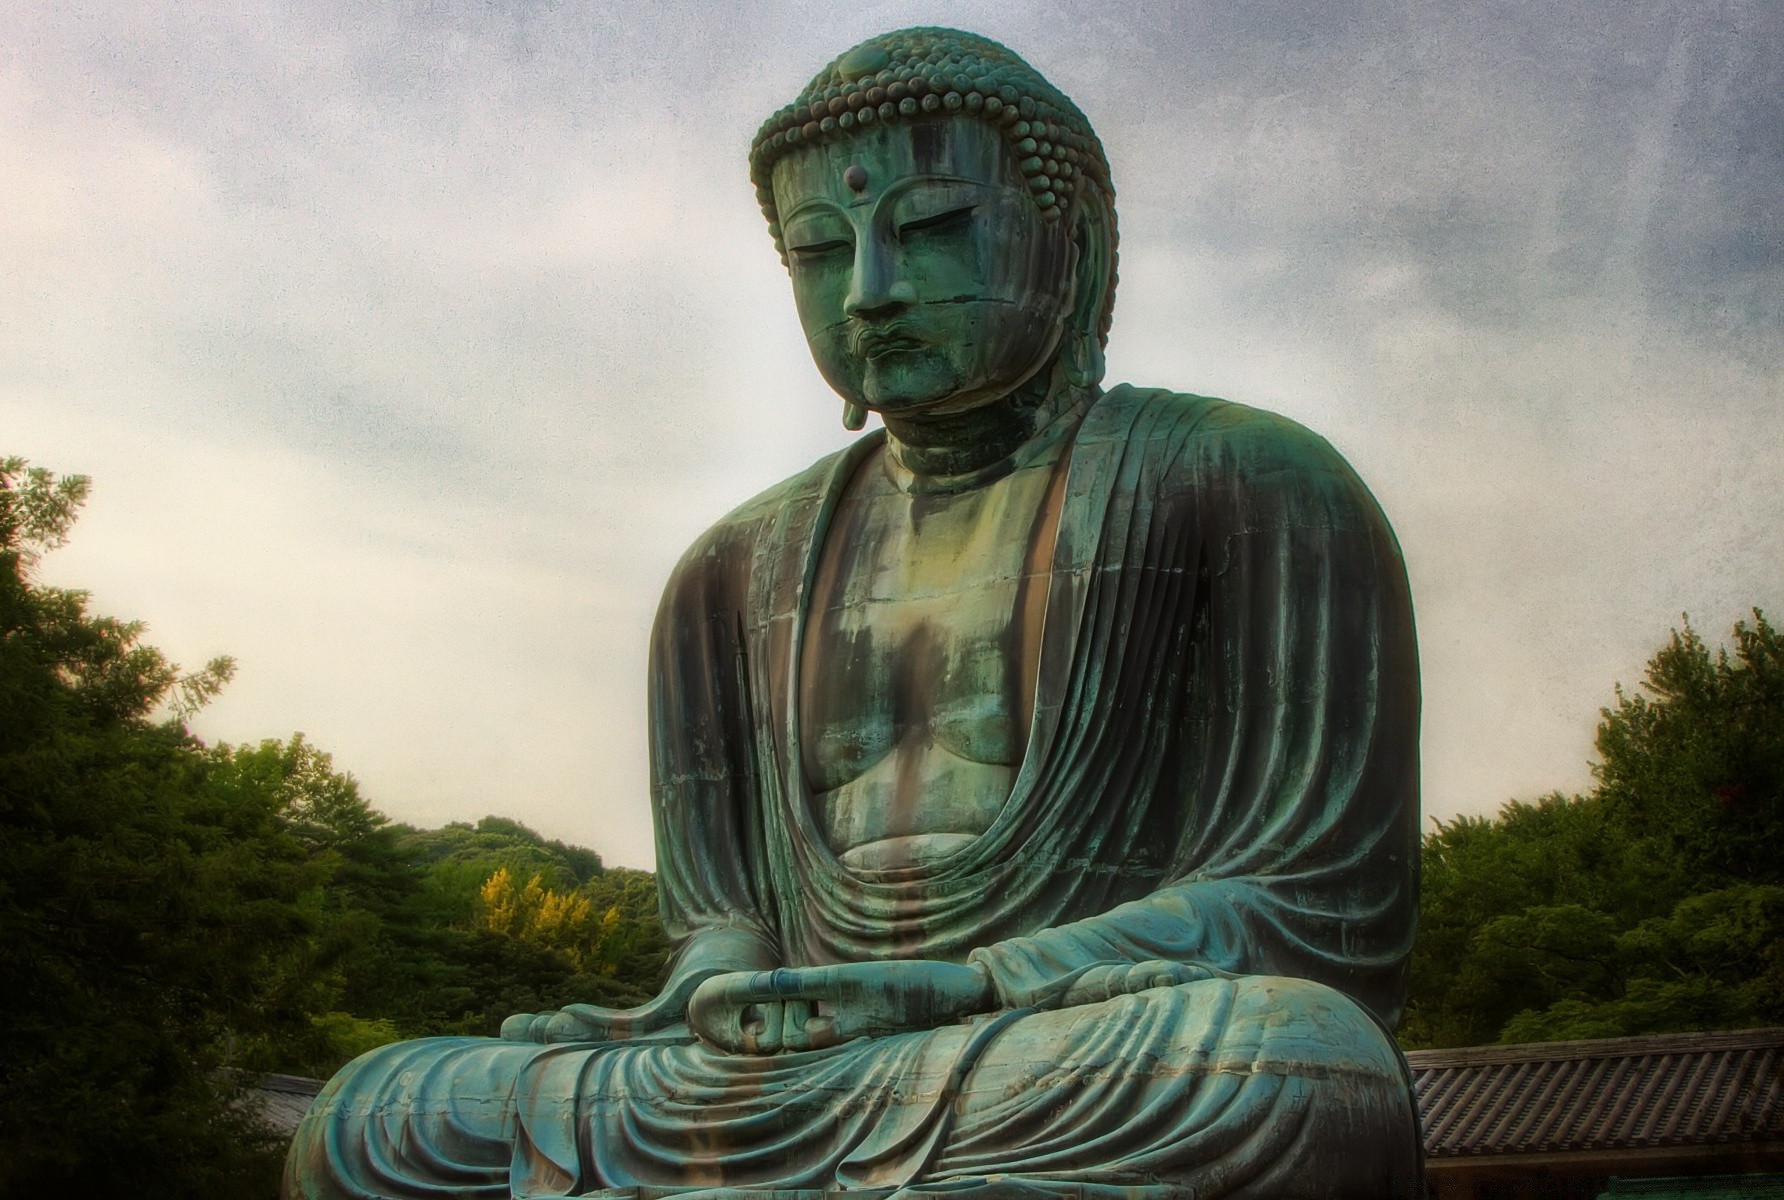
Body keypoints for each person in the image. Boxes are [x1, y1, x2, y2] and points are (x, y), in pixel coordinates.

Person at [285, 27, 1424, 1200]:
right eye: (820, 251)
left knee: (1292, 1069)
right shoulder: (728, 572)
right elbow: (724, 915)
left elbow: (1312, 908)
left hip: (1051, 1047)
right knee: (375, 1114)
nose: (871, 293)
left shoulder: (1250, 485)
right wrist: (713, 983)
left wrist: (981, 983)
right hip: (785, 1080)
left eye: (929, 228)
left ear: (1071, 245)